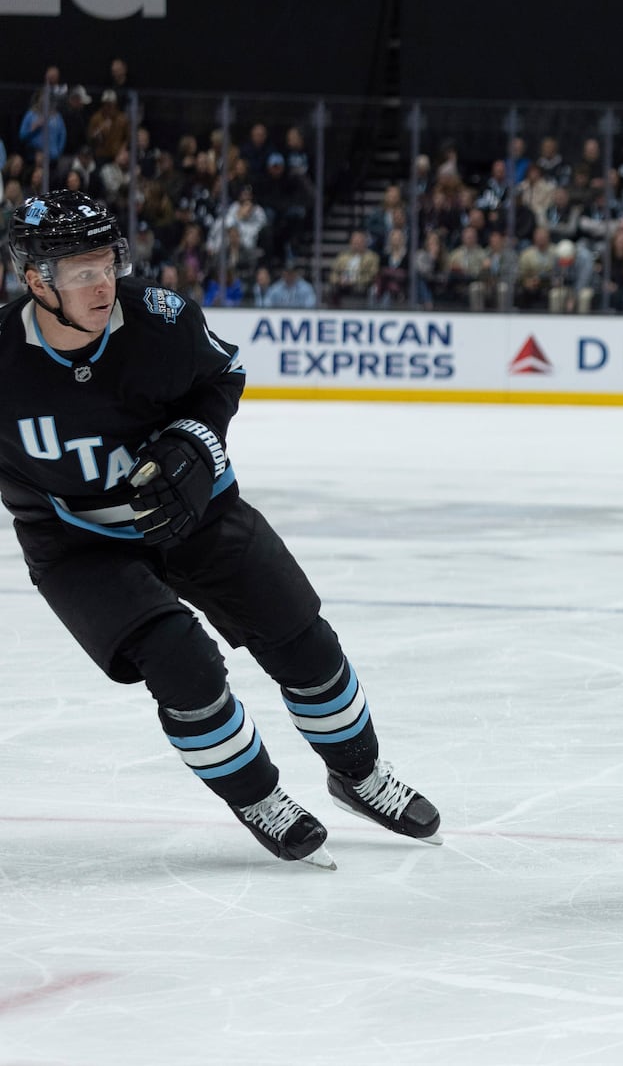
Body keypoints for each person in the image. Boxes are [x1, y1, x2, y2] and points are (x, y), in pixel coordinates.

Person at [0, 191, 440, 868]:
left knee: (305, 642)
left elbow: (223, 377)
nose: (102, 281)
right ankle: (257, 794)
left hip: (198, 511)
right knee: (183, 662)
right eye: (80, 269)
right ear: (36, 280)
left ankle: (358, 773)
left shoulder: (160, 319)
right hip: (77, 543)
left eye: (106, 261)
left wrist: (196, 443)